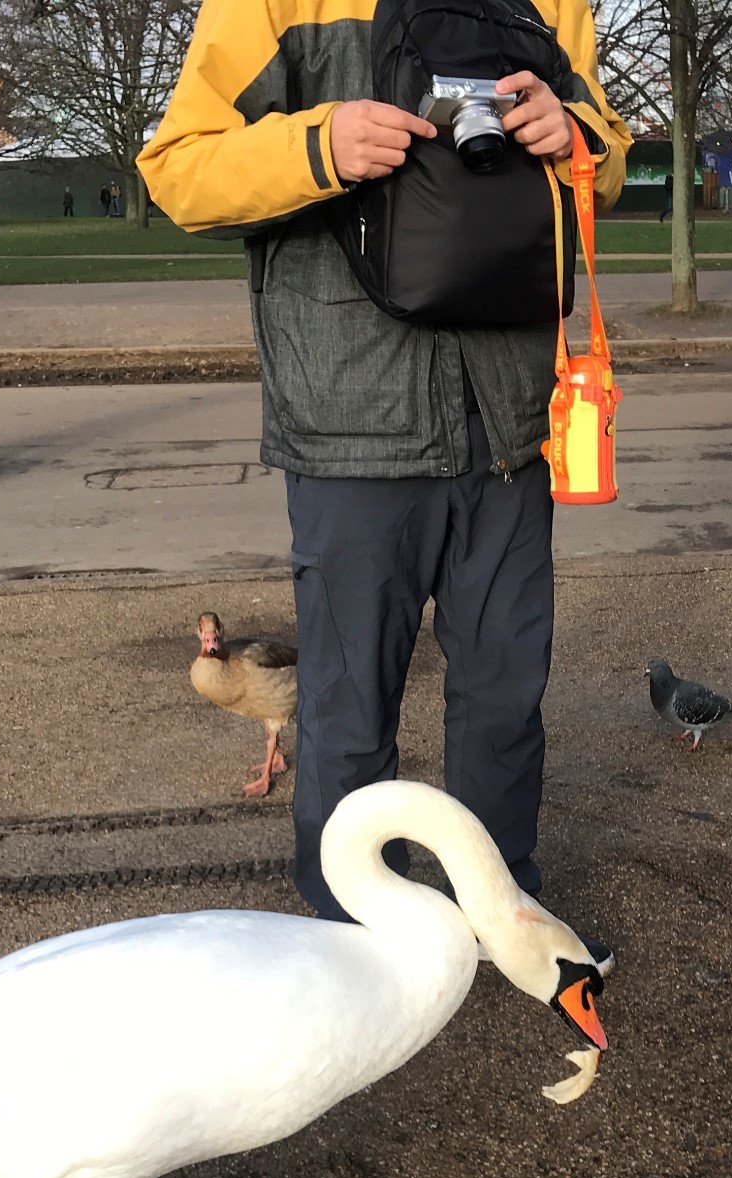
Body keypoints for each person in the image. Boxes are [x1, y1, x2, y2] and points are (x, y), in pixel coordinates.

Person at [140, 0, 631, 923]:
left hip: (510, 423)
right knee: (349, 711)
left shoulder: (555, 3)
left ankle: (501, 913)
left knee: (504, 699)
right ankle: (350, 937)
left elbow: (603, 156)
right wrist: (316, 146)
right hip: (350, 423)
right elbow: (177, 169)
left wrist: (579, 135)